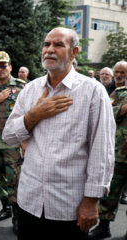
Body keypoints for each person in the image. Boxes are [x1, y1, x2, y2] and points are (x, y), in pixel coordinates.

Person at [2, 27, 115, 240]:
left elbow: (102, 151)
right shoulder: (31, 89)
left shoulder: (92, 91)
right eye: (46, 44)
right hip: (29, 203)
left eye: (58, 44)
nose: (49, 50)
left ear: (74, 52)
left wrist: (91, 201)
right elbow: (8, 136)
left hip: (69, 207)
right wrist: (33, 115)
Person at [0, 51, 25, 229]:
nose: (0, 69)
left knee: (14, 179)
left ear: (10, 67)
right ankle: (5, 208)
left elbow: (29, 114)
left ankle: (17, 215)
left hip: (13, 143)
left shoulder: (22, 87)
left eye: (3, 65)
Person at [88, 60, 127, 240]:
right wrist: (123, 108)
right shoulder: (111, 92)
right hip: (118, 151)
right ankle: (104, 226)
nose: (119, 75)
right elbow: (105, 114)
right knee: (110, 193)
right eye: (117, 72)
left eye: (123, 73)